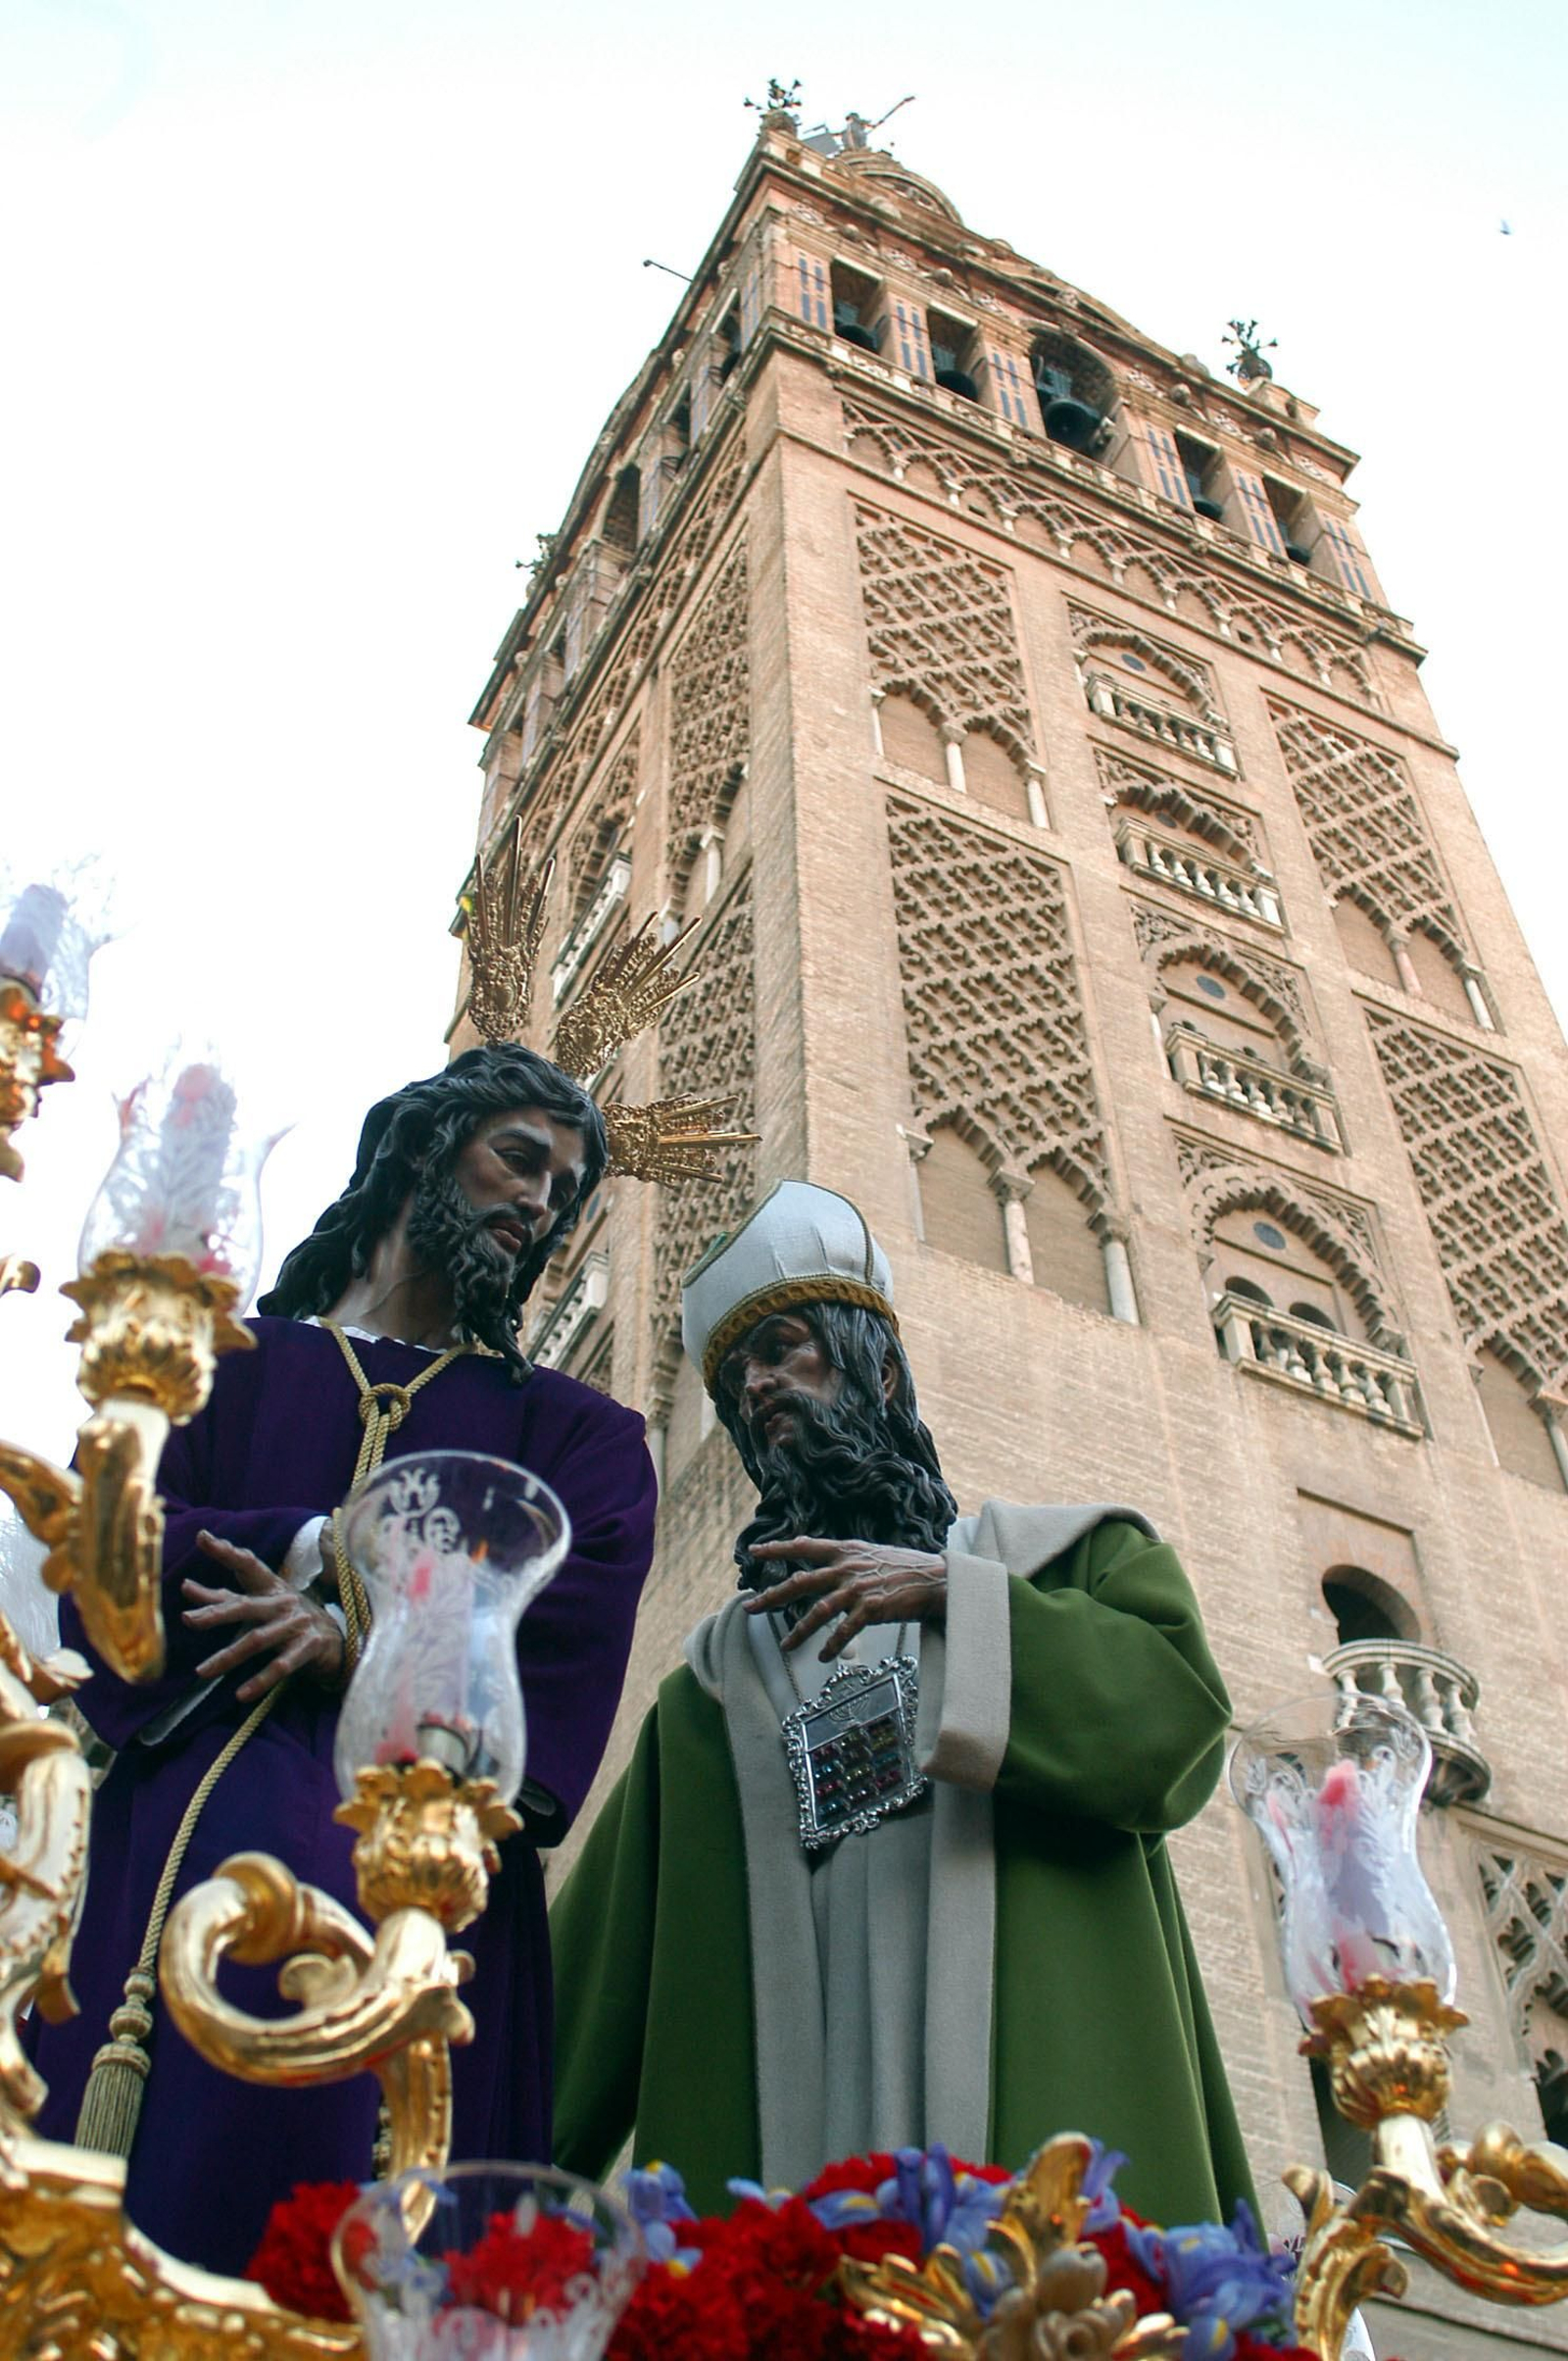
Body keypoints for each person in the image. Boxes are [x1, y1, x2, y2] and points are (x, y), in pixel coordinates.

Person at [28, 1045, 658, 2279]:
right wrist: (325, 1544)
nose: (539, 1205)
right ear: (422, 1149)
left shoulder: (579, 1436)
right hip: (160, 1856)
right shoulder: (223, 1365)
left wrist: (364, 1633)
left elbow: (574, 1621)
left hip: (428, 1877)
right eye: (518, 1158)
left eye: (563, 1191)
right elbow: (112, 1545)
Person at [551, 1181, 1254, 2227]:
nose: (758, 1386)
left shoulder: (1070, 1563)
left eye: (786, 1347)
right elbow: (564, 2006)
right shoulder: (711, 1695)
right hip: (796, 2153)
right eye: (738, 1374)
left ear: (879, 1367)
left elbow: (1173, 1734)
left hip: (1033, 2155)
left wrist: (948, 1597)